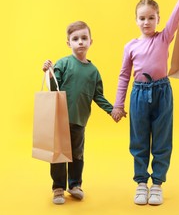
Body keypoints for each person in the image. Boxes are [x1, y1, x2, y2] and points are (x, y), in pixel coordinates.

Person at [111, 0, 179, 205]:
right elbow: (123, 76)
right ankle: (141, 182)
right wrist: (119, 104)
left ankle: (157, 183)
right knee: (139, 139)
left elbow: (176, 18)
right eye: (142, 18)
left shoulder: (164, 38)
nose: (146, 22)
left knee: (162, 139)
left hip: (162, 93)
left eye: (151, 18)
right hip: (139, 95)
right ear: (136, 20)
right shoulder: (130, 46)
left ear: (158, 19)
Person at [42, 21, 124, 205]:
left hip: (79, 121)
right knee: (58, 155)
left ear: (91, 41)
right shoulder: (63, 63)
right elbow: (54, 89)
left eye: (84, 38)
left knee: (77, 154)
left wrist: (113, 110)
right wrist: (48, 72)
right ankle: (58, 188)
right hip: (59, 119)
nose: (80, 42)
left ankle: (75, 185)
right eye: (75, 39)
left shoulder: (93, 72)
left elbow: (98, 96)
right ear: (68, 43)